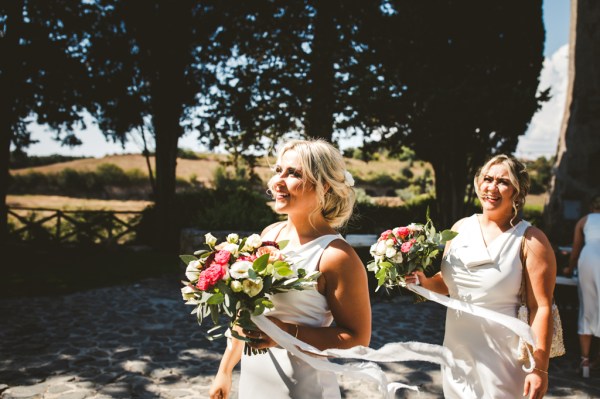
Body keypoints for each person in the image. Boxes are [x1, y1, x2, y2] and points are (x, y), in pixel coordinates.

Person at [208, 139, 371, 399]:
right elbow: (246, 309)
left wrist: (285, 333)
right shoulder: (269, 234)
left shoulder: (336, 256)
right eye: (278, 171)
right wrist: (226, 369)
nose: (277, 182)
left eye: (293, 173)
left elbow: (357, 338)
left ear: (324, 185)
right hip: (255, 378)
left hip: (303, 387)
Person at [405, 154, 556, 399]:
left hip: (503, 357)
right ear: (478, 183)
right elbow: (446, 282)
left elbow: (541, 307)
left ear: (518, 191)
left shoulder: (532, 240)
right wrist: (421, 281)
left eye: (503, 182)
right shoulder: (459, 228)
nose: (492, 187)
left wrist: (540, 368)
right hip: (457, 350)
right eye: (487, 179)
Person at [563, 195, 600, 378]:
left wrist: (569, 268)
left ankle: (585, 361)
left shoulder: (584, 220)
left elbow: (576, 249)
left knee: (587, 308)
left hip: (589, 258)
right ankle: (597, 360)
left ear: (593, 206)